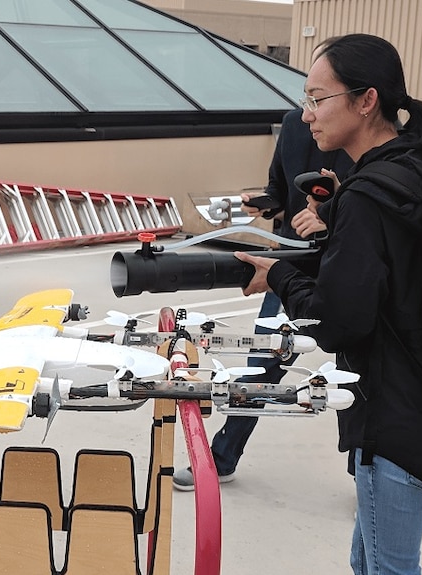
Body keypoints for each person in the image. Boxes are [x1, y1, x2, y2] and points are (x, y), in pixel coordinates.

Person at [235, 34, 422, 574]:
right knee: (371, 563)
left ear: (365, 100)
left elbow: (338, 322)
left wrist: (281, 273)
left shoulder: (369, 194)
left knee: (389, 569)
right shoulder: (417, 164)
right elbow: (388, 274)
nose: (307, 115)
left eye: (317, 98)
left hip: (394, 412)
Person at [172, 46, 355, 492]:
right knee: (262, 365)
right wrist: (244, 204)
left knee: (357, 375)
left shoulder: (368, 139)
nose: (311, 110)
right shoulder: (294, 126)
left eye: (320, 96)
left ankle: (367, 475)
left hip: (352, 265)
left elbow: (374, 203)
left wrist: (330, 215)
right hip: (290, 266)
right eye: (307, 96)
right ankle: (222, 458)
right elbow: (278, 190)